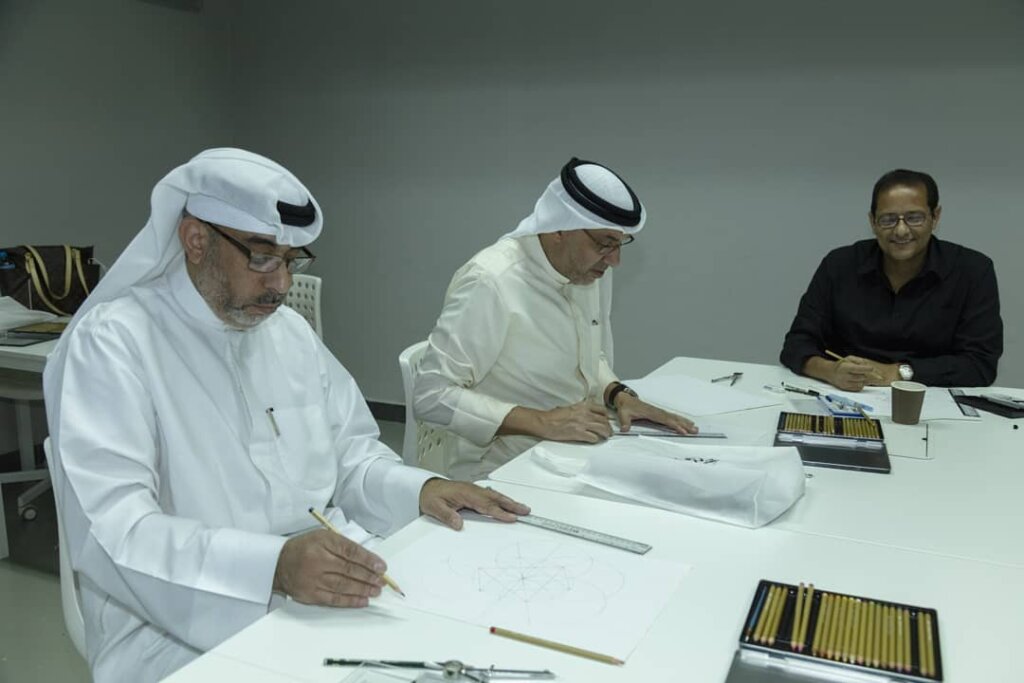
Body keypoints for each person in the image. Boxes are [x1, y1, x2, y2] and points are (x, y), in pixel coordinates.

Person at [42, 148, 529, 683]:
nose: (280, 285)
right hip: (176, 626)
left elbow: (350, 457)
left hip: (325, 581)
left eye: (291, 261)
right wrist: (273, 567)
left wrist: (423, 489)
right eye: (261, 257)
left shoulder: (289, 334)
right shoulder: (115, 342)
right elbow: (116, 532)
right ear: (196, 239)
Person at [413, 157, 696, 480]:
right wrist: (542, 422)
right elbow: (430, 395)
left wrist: (618, 395)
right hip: (499, 467)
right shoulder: (491, 281)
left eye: (620, 244)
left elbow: (586, 357)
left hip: (575, 448)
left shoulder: (589, 270)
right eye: (605, 244)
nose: (615, 261)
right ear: (560, 228)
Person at [780, 168, 1002, 390]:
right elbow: (796, 344)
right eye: (888, 219)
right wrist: (830, 372)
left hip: (930, 398)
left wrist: (897, 373)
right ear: (872, 222)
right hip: (848, 396)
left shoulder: (973, 271)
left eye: (914, 218)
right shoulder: (840, 265)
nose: (901, 230)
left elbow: (980, 364)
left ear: (935, 217)